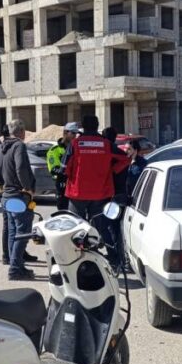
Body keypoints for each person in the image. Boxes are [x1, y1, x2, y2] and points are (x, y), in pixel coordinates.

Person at [0, 119, 37, 281]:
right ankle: (15, 269)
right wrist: (27, 188)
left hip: (7, 196)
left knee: (13, 232)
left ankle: (15, 264)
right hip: (18, 196)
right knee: (23, 233)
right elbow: (21, 167)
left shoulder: (1, 147)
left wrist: (1, 184)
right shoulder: (19, 146)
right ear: (22, 132)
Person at [64, 114, 129, 221]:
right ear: (97, 126)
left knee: (75, 225)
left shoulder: (74, 144)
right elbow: (126, 159)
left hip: (77, 193)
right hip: (101, 193)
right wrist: (113, 170)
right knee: (98, 227)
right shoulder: (107, 144)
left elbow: (64, 167)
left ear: (83, 127)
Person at [101, 127, 130, 271]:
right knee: (115, 228)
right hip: (119, 194)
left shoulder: (108, 152)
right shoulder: (119, 153)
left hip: (112, 196)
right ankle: (119, 258)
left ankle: (118, 259)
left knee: (111, 228)